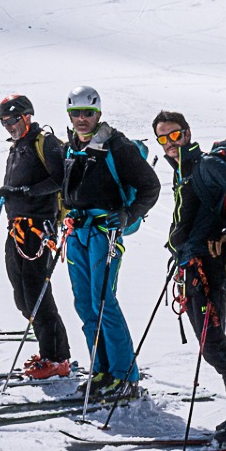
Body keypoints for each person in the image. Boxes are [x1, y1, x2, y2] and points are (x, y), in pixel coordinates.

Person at [154, 112, 226, 447]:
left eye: (174, 135)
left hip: (209, 267)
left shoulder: (204, 165)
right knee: (212, 345)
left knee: (214, 345)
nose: (170, 144)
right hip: (193, 265)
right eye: (163, 138)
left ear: (187, 133)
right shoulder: (185, 171)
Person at [59, 86, 160, 396]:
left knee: (103, 301)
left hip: (106, 233)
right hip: (78, 233)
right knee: (85, 304)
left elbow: (150, 187)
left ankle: (125, 376)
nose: (81, 119)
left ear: (98, 113)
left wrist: (129, 216)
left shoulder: (117, 146)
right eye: (75, 113)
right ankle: (102, 371)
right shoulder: (71, 147)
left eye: (87, 113)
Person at [0, 94, 71, 379]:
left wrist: (23, 193)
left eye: (11, 120)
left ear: (26, 116)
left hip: (39, 230)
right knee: (22, 298)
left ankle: (57, 358)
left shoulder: (44, 142)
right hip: (16, 229)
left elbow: (59, 179)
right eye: (3, 122)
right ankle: (51, 352)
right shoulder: (18, 146)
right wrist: (4, 193)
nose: (8, 126)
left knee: (36, 295)